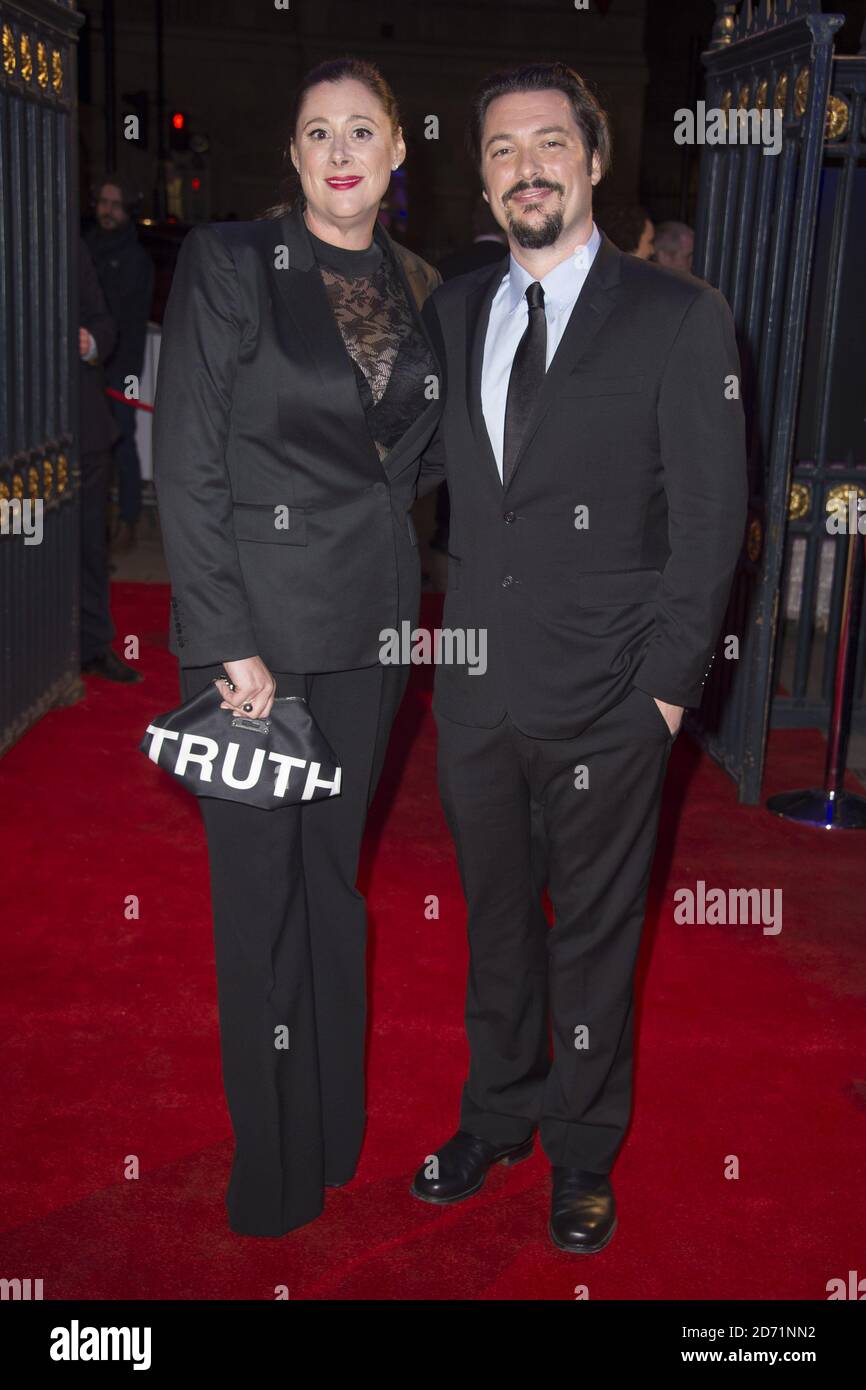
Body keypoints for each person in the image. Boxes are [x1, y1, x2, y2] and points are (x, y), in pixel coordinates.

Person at [412, 62, 747, 1253]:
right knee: (494, 922)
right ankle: (495, 1114)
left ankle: (578, 1151)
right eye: (501, 151)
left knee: (594, 939)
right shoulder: (453, 310)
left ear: (594, 160)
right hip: (478, 692)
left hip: (613, 695)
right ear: (485, 176)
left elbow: (710, 526)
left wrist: (664, 694)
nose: (526, 168)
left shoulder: (676, 316)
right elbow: (399, 474)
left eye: (549, 143)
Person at [152, 58, 442, 1237]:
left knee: (333, 890)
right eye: (317, 130)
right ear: (292, 154)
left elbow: (419, 463)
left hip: (370, 630)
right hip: (256, 643)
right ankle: (269, 1163)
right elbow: (190, 457)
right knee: (258, 902)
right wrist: (226, 640)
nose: (339, 149)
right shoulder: (231, 264)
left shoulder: (424, 282)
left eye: (360, 129)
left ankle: (331, 1132)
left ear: (394, 153)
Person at [78, 239, 141, 682]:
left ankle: (92, 645)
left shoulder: (72, 248)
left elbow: (105, 324)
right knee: (23, 545)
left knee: (88, 546)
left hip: (83, 428)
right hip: (20, 435)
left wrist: (91, 341)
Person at [86, 176, 154, 553]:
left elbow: (125, 319)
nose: (107, 210)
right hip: (86, 365)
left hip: (120, 368)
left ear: (127, 211)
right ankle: (89, 521)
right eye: (103, 202)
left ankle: (128, 519)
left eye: (116, 204)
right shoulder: (86, 248)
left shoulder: (134, 259)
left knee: (123, 443)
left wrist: (113, 366)